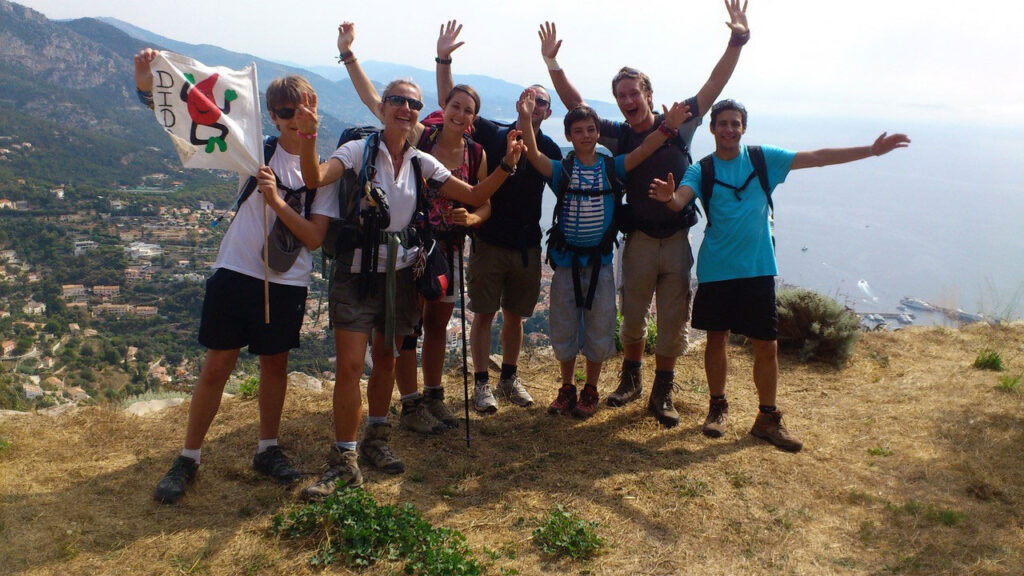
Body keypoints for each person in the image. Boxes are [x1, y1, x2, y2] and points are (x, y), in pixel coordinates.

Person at [294, 78, 524, 498]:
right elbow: (314, 178)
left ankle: (376, 440)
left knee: (385, 358)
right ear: (382, 107)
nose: (405, 106)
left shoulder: (421, 161)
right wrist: (309, 136)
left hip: (400, 273)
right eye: (397, 99)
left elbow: (473, 193)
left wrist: (507, 164)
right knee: (349, 367)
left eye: (412, 102)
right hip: (358, 271)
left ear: (419, 112)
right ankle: (343, 459)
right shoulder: (356, 151)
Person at [649, 99, 910, 451]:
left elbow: (817, 157)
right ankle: (717, 407)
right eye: (722, 123)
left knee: (767, 345)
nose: (728, 129)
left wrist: (872, 151)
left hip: (758, 267)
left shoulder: (762, 159)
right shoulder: (703, 169)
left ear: (743, 128)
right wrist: (668, 198)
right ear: (712, 129)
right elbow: (681, 199)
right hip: (717, 269)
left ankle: (767, 418)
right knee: (716, 340)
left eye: (735, 123)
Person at [134, 49, 336, 504]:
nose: (291, 119)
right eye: (283, 112)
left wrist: (277, 201)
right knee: (218, 364)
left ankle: (267, 448)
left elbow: (315, 237)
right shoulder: (253, 149)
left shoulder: (323, 173)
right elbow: (191, 120)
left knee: (274, 366)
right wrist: (147, 85)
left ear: (314, 107)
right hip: (236, 270)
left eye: (300, 109)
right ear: (271, 114)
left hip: (286, 281)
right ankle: (188, 456)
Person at [539, 0, 750, 427]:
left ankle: (663, 390)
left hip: (675, 238)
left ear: (648, 94)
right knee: (631, 316)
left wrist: (736, 41)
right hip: (636, 240)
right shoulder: (614, 136)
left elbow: (713, 85)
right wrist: (553, 63)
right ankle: (630, 380)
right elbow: (576, 103)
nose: (628, 100)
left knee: (673, 320)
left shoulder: (680, 121)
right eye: (621, 95)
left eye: (634, 93)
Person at [335, 21, 493, 435]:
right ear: (445, 108)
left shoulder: (475, 154)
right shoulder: (422, 136)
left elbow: (482, 202)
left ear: (474, 119)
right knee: (407, 329)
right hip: (414, 245)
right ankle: (409, 403)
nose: (459, 113)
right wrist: (349, 55)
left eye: (467, 110)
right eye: (454, 106)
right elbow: (375, 100)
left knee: (437, 324)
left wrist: (472, 218)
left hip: (448, 248)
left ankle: (433, 395)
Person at [516, 90, 690, 418]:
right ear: (568, 136)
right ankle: (567, 387)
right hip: (567, 263)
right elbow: (534, 154)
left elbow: (643, 149)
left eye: (591, 130)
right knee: (565, 325)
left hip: (600, 263)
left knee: (598, 325)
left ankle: (590, 388)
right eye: (578, 131)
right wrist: (526, 119)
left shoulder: (613, 167)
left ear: (599, 133)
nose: (585, 136)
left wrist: (667, 128)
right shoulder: (561, 170)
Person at [436, 21, 564, 414]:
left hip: (526, 246)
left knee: (515, 317)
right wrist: (443, 59)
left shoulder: (550, 148)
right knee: (483, 315)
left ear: (548, 110)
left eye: (541, 101)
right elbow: (451, 107)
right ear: (517, 103)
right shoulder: (493, 135)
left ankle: (509, 377)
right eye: (529, 98)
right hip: (490, 241)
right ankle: (481, 384)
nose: (534, 105)